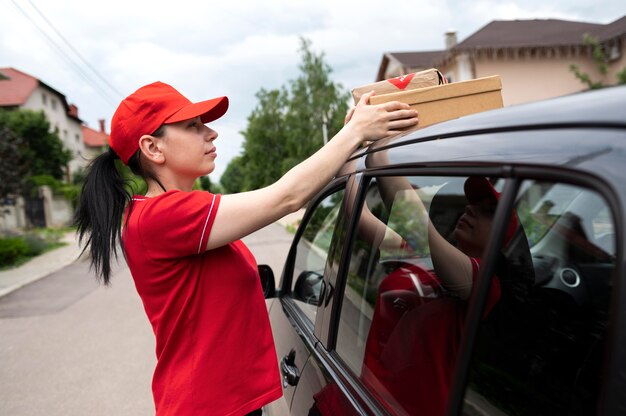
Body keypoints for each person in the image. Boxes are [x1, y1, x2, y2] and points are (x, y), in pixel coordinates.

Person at [74, 81, 418, 416]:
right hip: (208, 407)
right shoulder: (162, 217)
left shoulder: (184, 212)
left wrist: (350, 145)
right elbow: (287, 197)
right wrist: (352, 133)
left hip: (224, 404)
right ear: (152, 148)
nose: (211, 133)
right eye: (193, 126)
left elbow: (296, 194)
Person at [358, 174, 532, 416]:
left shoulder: (485, 284)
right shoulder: (422, 259)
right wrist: (349, 162)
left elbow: (415, 221)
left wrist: (371, 148)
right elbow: (358, 215)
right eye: (472, 204)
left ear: (504, 239)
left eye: (488, 211)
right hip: (363, 398)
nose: (470, 209)